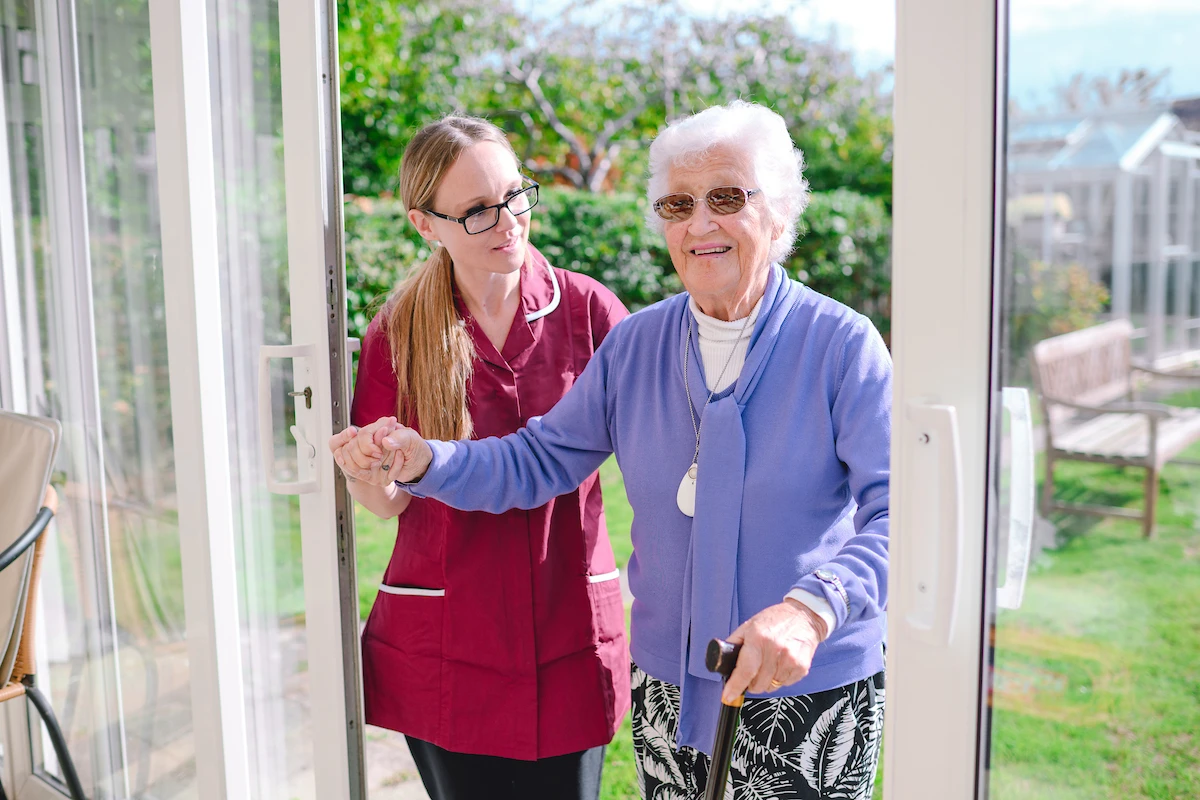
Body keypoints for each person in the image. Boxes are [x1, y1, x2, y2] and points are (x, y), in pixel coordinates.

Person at [372, 100, 890, 798]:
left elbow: (900, 514)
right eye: (678, 205)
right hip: (669, 691)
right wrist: (429, 461)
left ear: (780, 211)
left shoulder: (841, 345)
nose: (700, 223)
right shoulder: (638, 344)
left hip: (809, 687)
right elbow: (541, 458)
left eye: (727, 197)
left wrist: (812, 608)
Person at [327, 115, 630, 800]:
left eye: (515, 195)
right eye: (476, 211)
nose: (508, 222)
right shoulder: (398, 333)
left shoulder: (590, 314)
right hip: (448, 639)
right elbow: (390, 504)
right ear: (425, 224)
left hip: (567, 627)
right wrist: (366, 472)